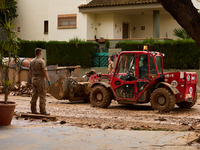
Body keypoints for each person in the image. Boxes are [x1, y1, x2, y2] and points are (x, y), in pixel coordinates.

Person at [29, 48, 51, 115]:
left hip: (34, 79)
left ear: (35, 53)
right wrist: (48, 80)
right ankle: (43, 110)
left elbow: (30, 71)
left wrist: (32, 79)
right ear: (40, 53)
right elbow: (44, 71)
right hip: (41, 79)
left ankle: (33, 110)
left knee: (34, 95)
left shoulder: (32, 61)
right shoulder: (42, 61)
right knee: (42, 95)